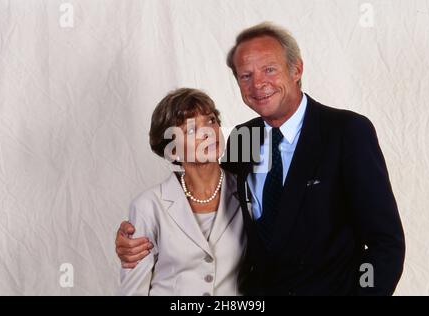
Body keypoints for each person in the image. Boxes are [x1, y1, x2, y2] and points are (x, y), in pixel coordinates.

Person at [116, 22, 405, 296]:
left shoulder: (347, 131)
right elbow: (207, 193)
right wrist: (135, 239)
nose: (258, 84)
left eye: (269, 69)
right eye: (246, 75)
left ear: (296, 69)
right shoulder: (244, 137)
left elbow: (386, 243)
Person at [117, 88, 246, 296]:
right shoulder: (148, 206)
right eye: (192, 130)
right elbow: (133, 291)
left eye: (211, 120)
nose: (208, 133)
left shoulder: (248, 191)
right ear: (173, 150)